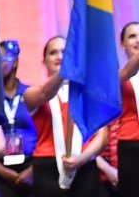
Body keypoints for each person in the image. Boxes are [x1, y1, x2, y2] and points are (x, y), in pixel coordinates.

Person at [23, 36, 107, 196]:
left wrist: (81, 159)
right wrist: (66, 70)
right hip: (48, 167)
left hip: (85, 165)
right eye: (53, 53)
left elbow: (102, 135)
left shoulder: (88, 93)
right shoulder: (32, 92)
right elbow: (44, 94)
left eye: (64, 52)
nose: (60, 56)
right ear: (44, 61)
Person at [0, 40, 37, 196]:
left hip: (32, 166)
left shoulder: (31, 94)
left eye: (2, 58)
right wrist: (1, 170)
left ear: (16, 62)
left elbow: (45, 135)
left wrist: (33, 170)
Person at [111, 20, 139, 192]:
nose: (138, 40)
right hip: (131, 144)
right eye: (132, 36)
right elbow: (129, 72)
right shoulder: (120, 74)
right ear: (122, 44)